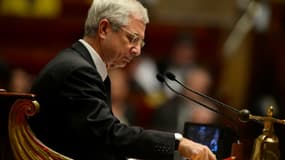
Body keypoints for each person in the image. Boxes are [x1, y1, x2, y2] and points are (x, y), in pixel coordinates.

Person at [29, 0, 216, 160]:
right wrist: (177, 142)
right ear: (104, 29)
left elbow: (97, 140)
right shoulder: (79, 70)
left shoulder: (83, 65)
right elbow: (108, 135)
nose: (137, 50)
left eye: (141, 43)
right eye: (132, 38)